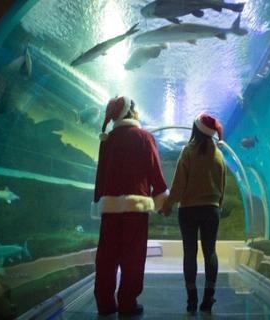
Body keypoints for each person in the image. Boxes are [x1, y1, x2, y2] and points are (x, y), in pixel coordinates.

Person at [93, 96, 169, 317]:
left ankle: (105, 303)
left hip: (110, 208)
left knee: (106, 256)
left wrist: (98, 198)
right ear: (131, 112)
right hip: (136, 209)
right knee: (133, 257)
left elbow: (101, 175)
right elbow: (154, 170)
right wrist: (162, 197)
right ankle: (127, 303)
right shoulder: (144, 137)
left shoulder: (107, 140)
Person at [159, 113, 226, 315]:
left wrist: (168, 204)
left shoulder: (188, 151)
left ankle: (191, 300)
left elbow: (178, 186)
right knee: (210, 252)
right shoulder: (219, 155)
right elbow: (222, 188)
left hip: (188, 210)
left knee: (190, 253)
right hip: (211, 210)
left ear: (195, 129)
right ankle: (208, 297)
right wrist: (217, 207)